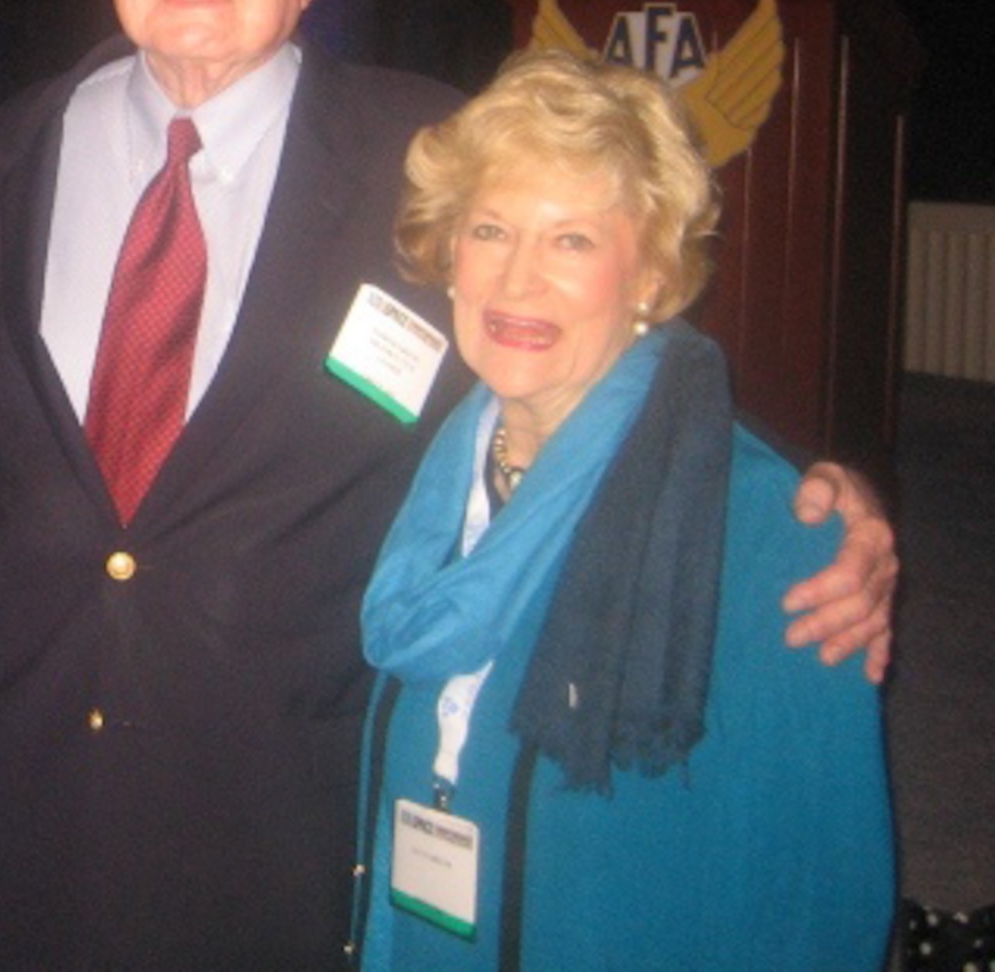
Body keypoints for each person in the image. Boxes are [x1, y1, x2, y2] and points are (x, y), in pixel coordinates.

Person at [0, 0, 898, 967]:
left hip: (283, 806)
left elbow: (586, 329)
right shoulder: (5, 153)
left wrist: (802, 496)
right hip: (32, 792)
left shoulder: (427, 154)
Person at [349, 49, 894, 967]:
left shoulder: (770, 538)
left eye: (572, 240)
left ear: (647, 276)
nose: (518, 281)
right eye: (490, 231)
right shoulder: (414, 471)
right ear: (449, 257)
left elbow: (822, 897)